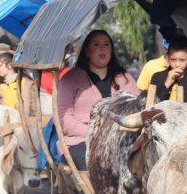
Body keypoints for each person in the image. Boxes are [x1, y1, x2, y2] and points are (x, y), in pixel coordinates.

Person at [58, 29, 140, 168]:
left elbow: (138, 108)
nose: (102, 48)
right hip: (81, 140)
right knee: (97, 165)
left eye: (106, 44)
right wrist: (93, 132)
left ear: (111, 50)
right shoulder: (70, 79)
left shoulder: (125, 79)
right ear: (87, 51)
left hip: (122, 139)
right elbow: (64, 118)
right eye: (96, 44)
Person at [148, 35, 187, 109]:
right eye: (173, 60)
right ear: (168, 57)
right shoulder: (157, 77)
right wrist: (166, 84)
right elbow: (151, 107)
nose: (177, 65)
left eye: (182, 60)